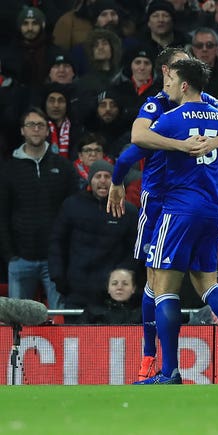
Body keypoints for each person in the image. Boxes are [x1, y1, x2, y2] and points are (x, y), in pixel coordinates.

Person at [107, 48, 218, 382]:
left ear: (182, 84)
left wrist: (118, 180)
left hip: (175, 208)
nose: (166, 81)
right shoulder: (216, 115)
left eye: (171, 76)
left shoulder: (170, 119)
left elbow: (134, 145)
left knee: (162, 287)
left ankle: (167, 369)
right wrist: (213, 144)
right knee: (209, 282)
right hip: (212, 208)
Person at [0, 108, 79, 310]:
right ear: (22, 131)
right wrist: (10, 254)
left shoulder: (64, 167)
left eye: (40, 125)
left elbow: (73, 212)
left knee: (59, 318)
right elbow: (2, 214)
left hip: (55, 259)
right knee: (16, 320)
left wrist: (65, 250)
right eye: (30, 125)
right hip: (20, 259)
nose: (36, 129)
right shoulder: (8, 169)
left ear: (47, 131)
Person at [49, 160, 138, 310]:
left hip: (112, 292)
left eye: (107, 176)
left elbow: (135, 248)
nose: (103, 181)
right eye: (98, 176)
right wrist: (58, 277)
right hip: (76, 290)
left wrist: (121, 276)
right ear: (90, 180)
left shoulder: (127, 210)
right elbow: (57, 242)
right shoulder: (72, 205)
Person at [74, 268, 142, 325]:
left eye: (125, 284)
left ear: (133, 289)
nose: (119, 287)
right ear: (108, 288)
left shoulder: (143, 313)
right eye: (114, 283)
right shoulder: (92, 311)